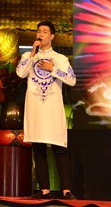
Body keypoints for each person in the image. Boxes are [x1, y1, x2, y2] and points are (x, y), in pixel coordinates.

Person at [16, 21, 77, 200]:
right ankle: (44, 190)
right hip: (35, 108)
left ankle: (66, 190)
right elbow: (20, 73)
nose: (41, 34)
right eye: (39, 31)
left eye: (45, 31)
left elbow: (72, 80)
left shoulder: (60, 59)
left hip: (52, 108)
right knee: (38, 148)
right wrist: (32, 54)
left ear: (52, 36)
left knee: (59, 147)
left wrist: (53, 69)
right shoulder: (28, 55)